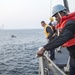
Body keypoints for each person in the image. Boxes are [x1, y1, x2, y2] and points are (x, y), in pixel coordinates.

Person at [37, 4, 75, 75]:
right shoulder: (67, 22)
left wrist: (44, 48)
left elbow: (62, 38)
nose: (55, 18)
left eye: (56, 16)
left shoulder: (71, 23)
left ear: (61, 13)